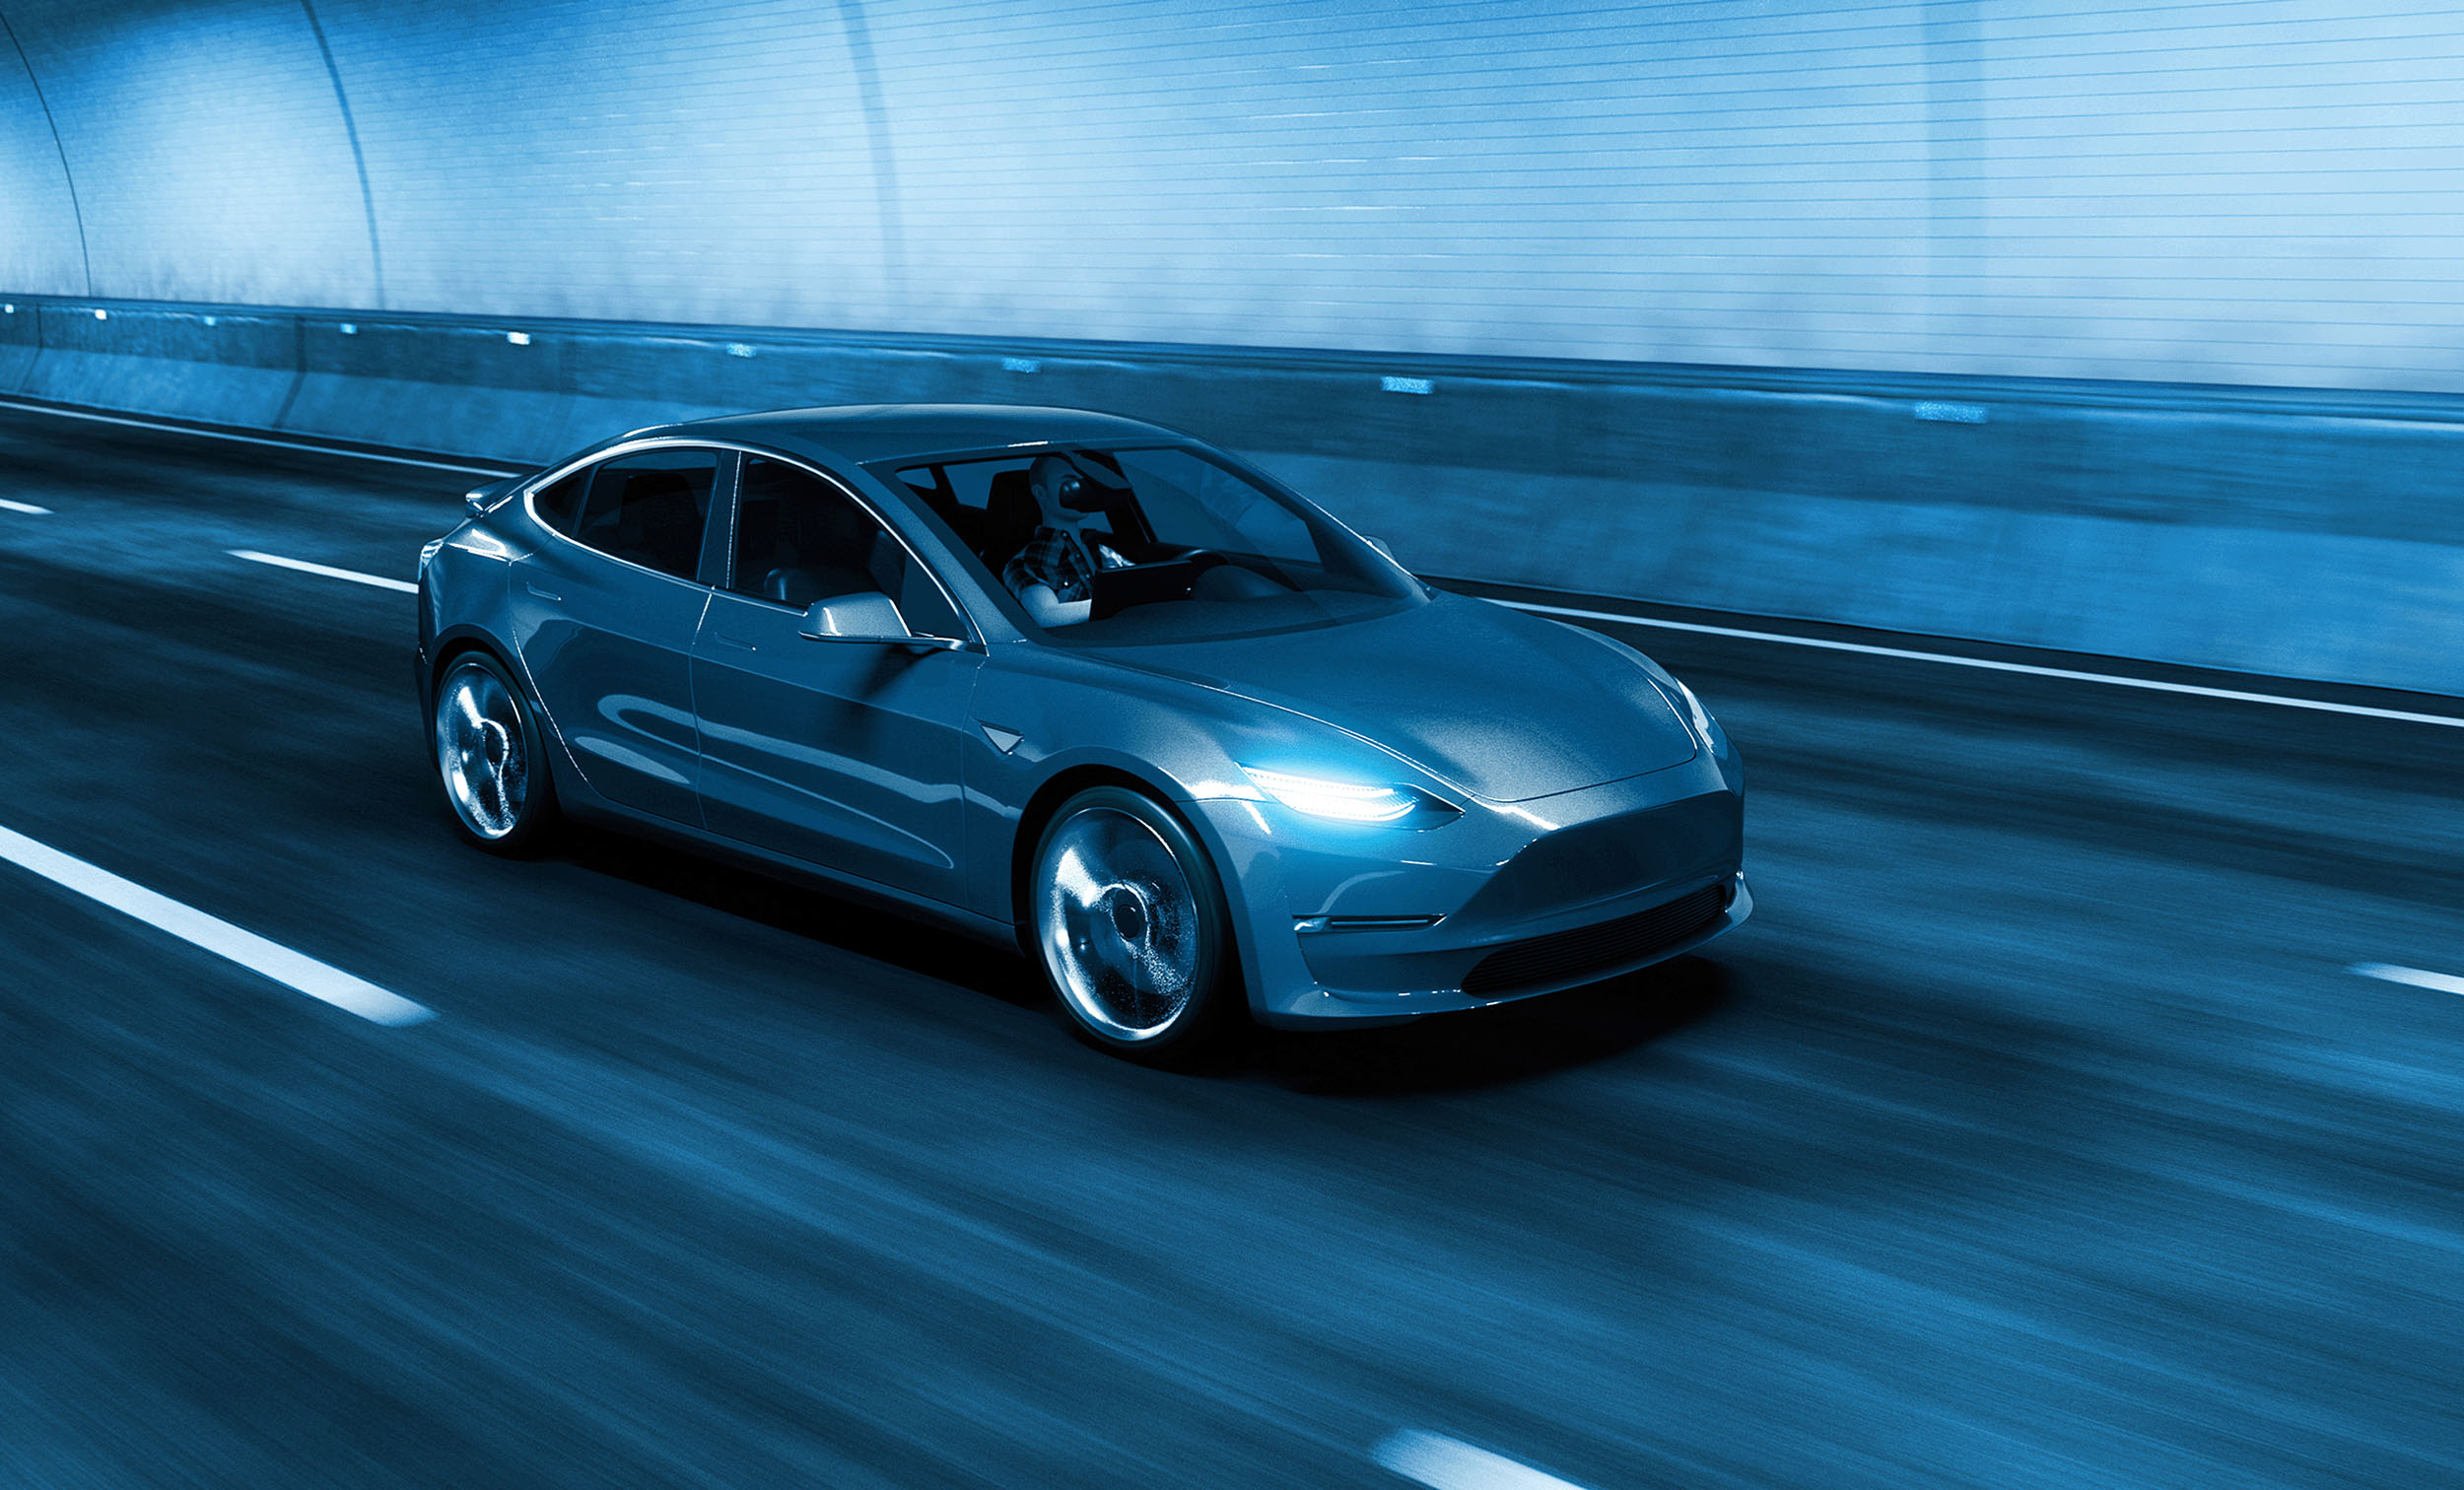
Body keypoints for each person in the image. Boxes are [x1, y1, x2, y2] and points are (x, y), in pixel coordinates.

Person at [1001, 453, 1133, 627]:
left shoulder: (1102, 551)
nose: (1082, 487)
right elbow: (1046, 616)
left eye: (1083, 479)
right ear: (1040, 493)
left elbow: (1143, 582)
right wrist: (1118, 601)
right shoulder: (1025, 564)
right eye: (1069, 480)